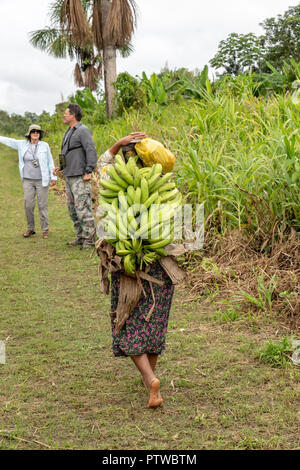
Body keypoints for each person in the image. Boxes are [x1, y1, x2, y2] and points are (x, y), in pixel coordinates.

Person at [97, 133, 175, 408]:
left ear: (126, 156)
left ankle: (149, 378)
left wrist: (117, 143)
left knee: (127, 322)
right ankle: (150, 377)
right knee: (153, 320)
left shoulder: (114, 178)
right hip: (161, 264)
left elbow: (101, 163)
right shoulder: (164, 183)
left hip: (130, 264)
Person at [0, 124, 57, 238]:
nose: (35, 133)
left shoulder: (44, 145)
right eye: (33, 131)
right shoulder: (22, 144)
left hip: (42, 180)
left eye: (37, 131)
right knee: (28, 205)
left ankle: (45, 230)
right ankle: (30, 228)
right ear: (29, 134)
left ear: (40, 134)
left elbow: (50, 162)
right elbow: (9, 141)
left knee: (42, 205)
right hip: (27, 180)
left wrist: (54, 177)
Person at [53, 103, 97, 249]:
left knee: (83, 208)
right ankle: (80, 236)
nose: (64, 115)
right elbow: (65, 152)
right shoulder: (68, 132)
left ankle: (90, 238)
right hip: (69, 176)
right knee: (72, 209)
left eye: (66, 113)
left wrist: (89, 170)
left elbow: (90, 150)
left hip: (80, 176)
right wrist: (60, 166)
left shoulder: (83, 131)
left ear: (73, 115)